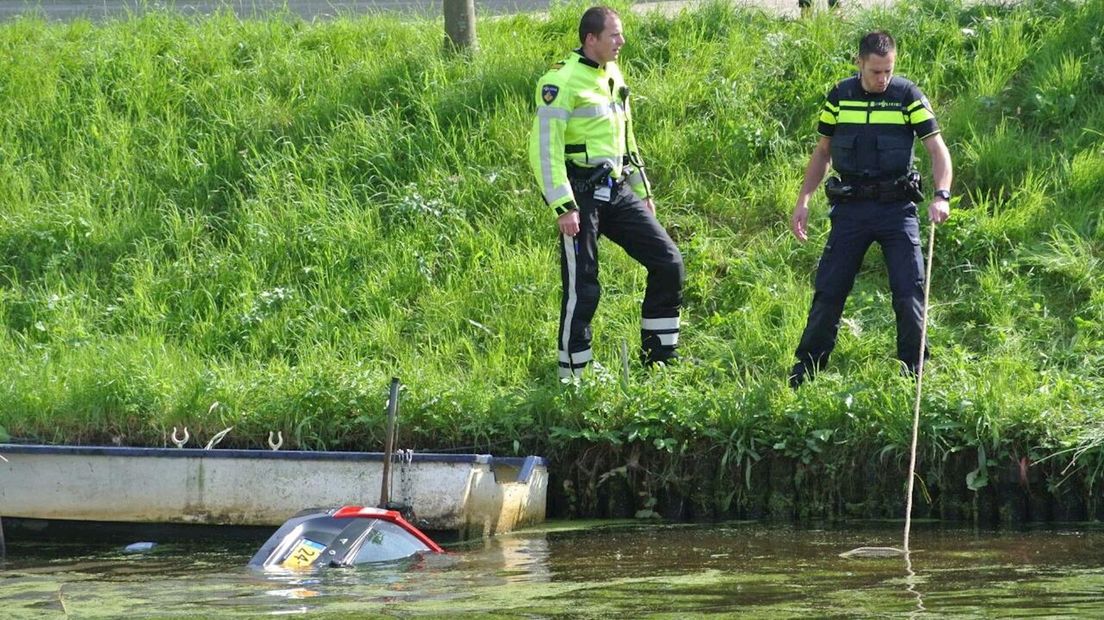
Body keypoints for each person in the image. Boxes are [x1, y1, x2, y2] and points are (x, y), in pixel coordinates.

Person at [788, 31, 953, 388]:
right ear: (859, 63)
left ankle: (915, 377)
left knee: (909, 294)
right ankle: (804, 375)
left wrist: (942, 195)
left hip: (897, 211)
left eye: (889, 71)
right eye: (876, 71)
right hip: (850, 210)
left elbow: (938, 150)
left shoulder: (908, 96)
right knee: (828, 293)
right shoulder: (839, 96)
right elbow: (822, 152)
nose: (883, 79)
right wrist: (803, 200)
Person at [528, 6, 684, 379]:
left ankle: (659, 361)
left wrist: (641, 189)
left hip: (615, 190)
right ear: (590, 39)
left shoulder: (612, 72)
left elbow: (625, 137)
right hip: (579, 196)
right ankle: (575, 374)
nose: (622, 41)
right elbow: (543, 149)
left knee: (669, 263)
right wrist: (563, 205)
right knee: (584, 286)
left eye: (621, 34)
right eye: (614, 35)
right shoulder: (560, 82)